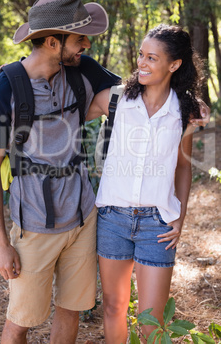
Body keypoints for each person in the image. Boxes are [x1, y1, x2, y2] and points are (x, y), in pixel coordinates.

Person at [0, 0, 121, 344]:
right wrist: (0, 243)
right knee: (21, 320)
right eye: (79, 38)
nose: (86, 44)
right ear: (54, 42)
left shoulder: (82, 71)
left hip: (82, 217)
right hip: (34, 226)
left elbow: (126, 97)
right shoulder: (0, 92)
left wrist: (181, 97)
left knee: (71, 308)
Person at [86, 24, 208, 342]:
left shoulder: (184, 111)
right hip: (112, 219)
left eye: (152, 57)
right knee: (114, 308)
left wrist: (178, 217)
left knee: (150, 322)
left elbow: (183, 167)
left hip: (158, 224)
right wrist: (17, 78)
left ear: (174, 64)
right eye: (141, 54)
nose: (141, 62)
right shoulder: (115, 100)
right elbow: (64, 104)